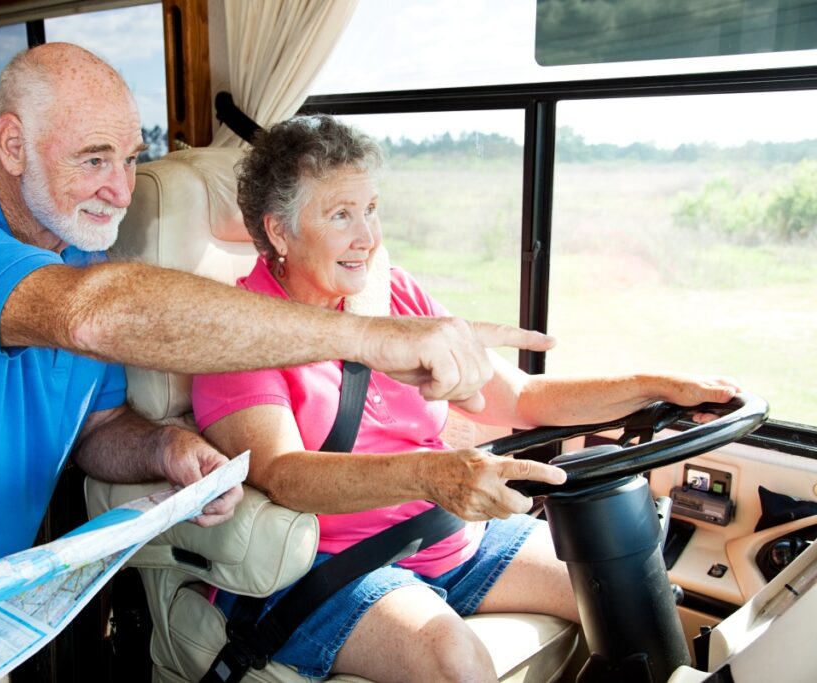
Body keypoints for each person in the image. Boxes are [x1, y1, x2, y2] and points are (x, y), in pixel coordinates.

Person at [0, 45, 556, 683]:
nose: (120, 189)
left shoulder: (74, 256)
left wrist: (165, 447)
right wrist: (369, 337)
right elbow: (90, 312)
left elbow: (95, 428)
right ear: (13, 145)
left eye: (129, 159)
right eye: (94, 159)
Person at [191, 115, 742, 683]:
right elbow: (286, 476)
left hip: (452, 536)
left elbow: (522, 398)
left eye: (371, 209)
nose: (368, 237)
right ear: (279, 231)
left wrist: (653, 385)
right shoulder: (239, 335)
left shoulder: (394, 292)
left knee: (624, 588)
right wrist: (431, 474)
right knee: (456, 660)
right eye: (340, 215)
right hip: (332, 567)